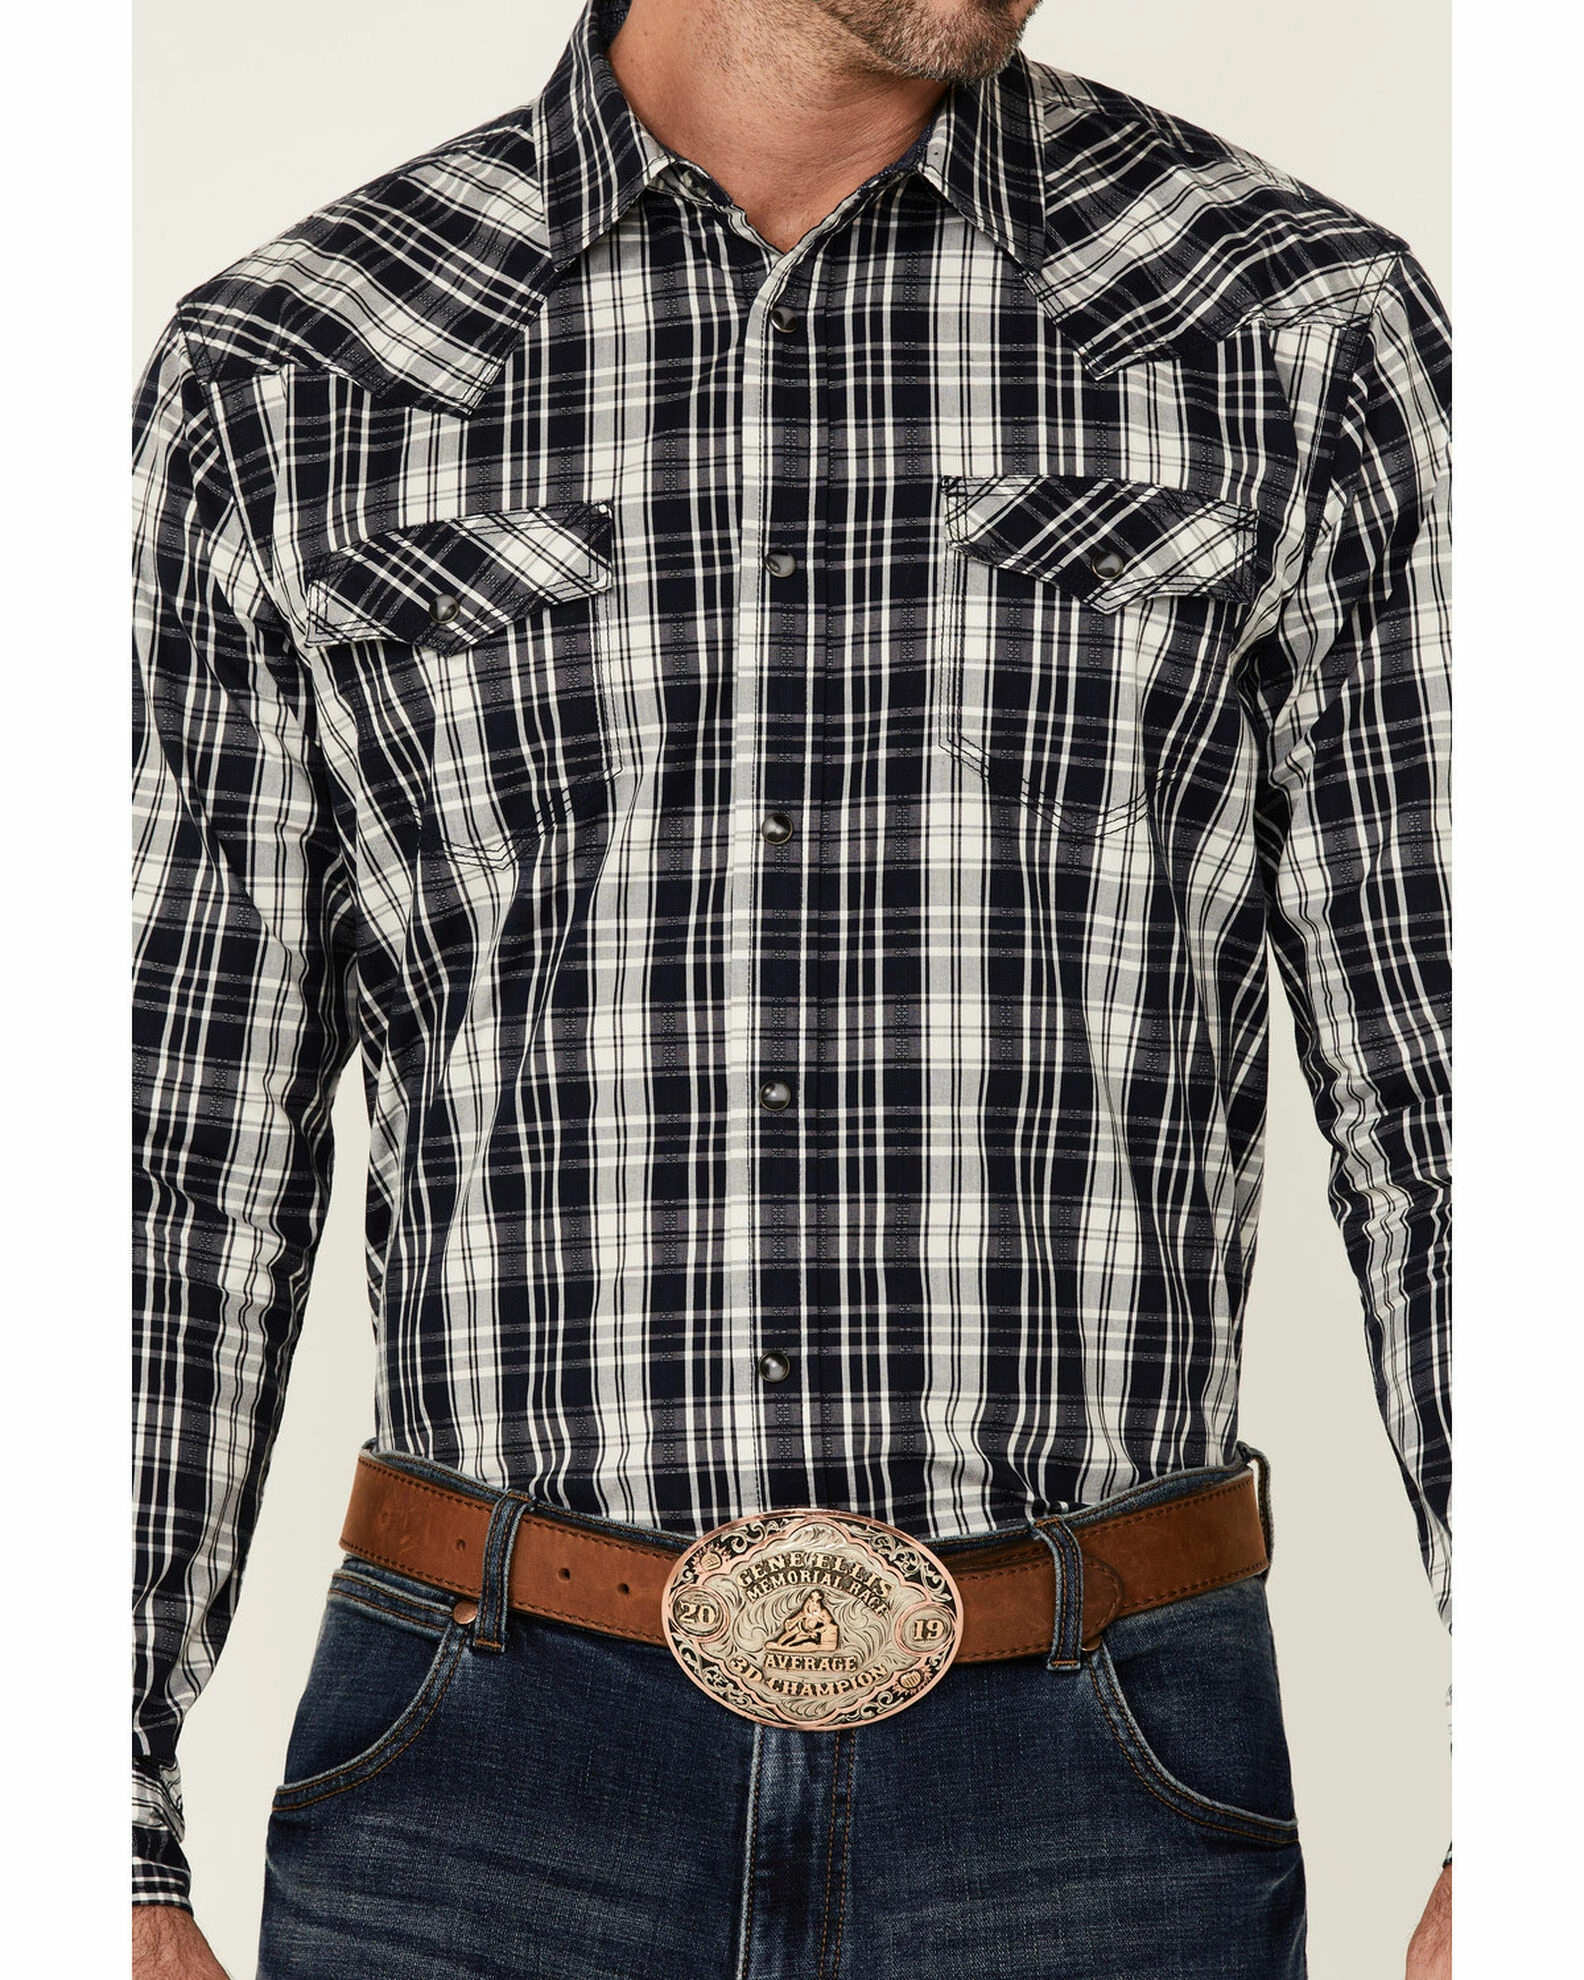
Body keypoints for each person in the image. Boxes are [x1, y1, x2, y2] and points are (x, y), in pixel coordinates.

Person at [131, 1, 1451, 1974]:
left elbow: (1462, 1105)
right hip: (483, 1798)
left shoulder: (1300, 328)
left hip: (1095, 1789)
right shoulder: (291, 367)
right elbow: (168, 1153)